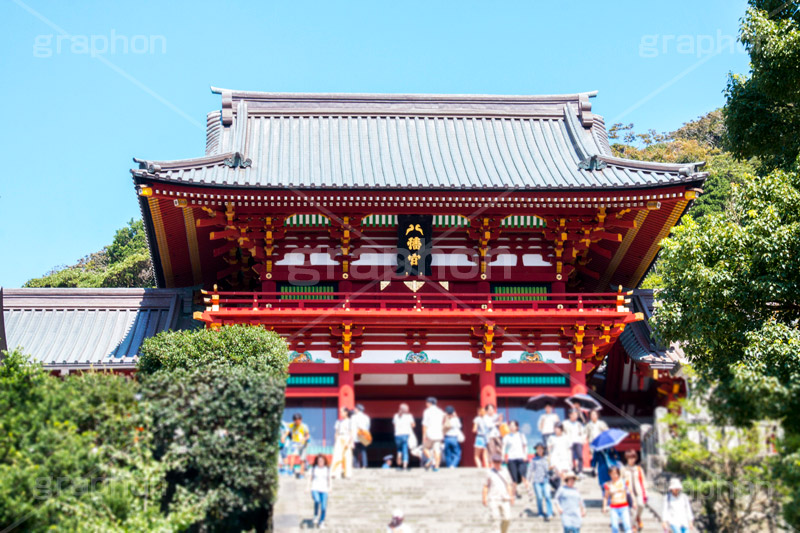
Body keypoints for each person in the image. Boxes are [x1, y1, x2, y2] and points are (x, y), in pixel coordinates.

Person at [482, 453, 515, 533]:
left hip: (504, 498)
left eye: (498, 462)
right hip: (493, 498)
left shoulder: (505, 471)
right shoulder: (489, 472)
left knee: (507, 518)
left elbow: (509, 485)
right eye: (495, 462)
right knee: (495, 519)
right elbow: (486, 486)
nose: (497, 464)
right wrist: (484, 498)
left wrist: (511, 496)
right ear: (493, 462)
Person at [523, 443, 553, 521]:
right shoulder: (534, 459)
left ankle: (549, 513)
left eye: (541, 448)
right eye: (538, 449)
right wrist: (528, 480)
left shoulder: (547, 458)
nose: (539, 450)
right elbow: (530, 470)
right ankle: (540, 512)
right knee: (539, 497)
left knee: (547, 496)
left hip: (546, 480)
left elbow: (549, 469)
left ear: (543, 449)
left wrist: (551, 468)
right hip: (537, 481)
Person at [602, 465, 635, 533]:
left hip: (624, 507)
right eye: (612, 474)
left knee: (627, 525)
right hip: (614, 508)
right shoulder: (608, 484)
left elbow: (631, 492)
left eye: (616, 473)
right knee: (614, 526)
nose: (614, 475)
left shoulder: (624, 482)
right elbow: (606, 497)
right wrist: (604, 506)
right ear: (610, 474)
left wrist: (634, 501)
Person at [622, 450, 648, 532]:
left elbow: (643, 480)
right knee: (633, 509)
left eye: (633, 457)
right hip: (629, 493)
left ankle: (638, 517)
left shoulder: (639, 469)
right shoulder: (624, 469)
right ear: (627, 458)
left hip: (639, 490)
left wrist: (645, 491)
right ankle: (633, 525)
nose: (631, 459)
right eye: (630, 457)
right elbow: (621, 481)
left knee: (641, 505)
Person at [502, 420, 528, 494]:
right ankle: (514, 494)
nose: (511, 427)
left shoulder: (521, 435)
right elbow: (503, 447)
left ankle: (529, 492)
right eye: (510, 425)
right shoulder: (507, 437)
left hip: (520, 457)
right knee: (514, 478)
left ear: (517, 427)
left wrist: (525, 455)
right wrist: (503, 456)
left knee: (522, 474)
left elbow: (525, 446)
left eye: (513, 425)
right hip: (511, 459)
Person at [308, 454, 332, 529]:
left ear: (324, 461)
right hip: (315, 488)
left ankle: (321, 521)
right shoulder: (313, 469)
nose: (320, 462)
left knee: (324, 507)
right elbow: (309, 478)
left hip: (324, 489)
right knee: (317, 501)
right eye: (319, 461)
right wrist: (307, 487)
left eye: (322, 461)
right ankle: (315, 515)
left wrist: (330, 487)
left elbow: (329, 479)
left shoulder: (327, 469)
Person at [422, 397, 445, 471]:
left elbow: (425, 424)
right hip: (438, 433)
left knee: (424, 448)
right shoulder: (440, 411)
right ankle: (437, 467)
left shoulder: (427, 411)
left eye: (426, 403)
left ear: (430, 403)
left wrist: (424, 435)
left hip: (430, 433)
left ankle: (430, 458)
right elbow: (443, 422)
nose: (426, 404)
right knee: (437, 450)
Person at [331, 407, 354, 479]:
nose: (341, 413)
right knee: (337, 456)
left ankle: (347, 474)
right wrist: (335, 441)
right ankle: (334, 473)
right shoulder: (338, 422)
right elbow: (336, 433)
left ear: (346, 412)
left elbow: (352, 433)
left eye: (342, 412)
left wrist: (349, 442)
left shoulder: (350, 422)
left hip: (347, 437)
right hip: (340, 438)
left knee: (347, 456)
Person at [585, 410, 608, 476]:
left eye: (594, 414)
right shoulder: (588, 424)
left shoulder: (601, 423)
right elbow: (586, 433)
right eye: (591, 415)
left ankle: (600, 470)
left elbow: (606, 430)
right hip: (592, 442)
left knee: (601, 456)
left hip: (600, 442)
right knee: (594, 457)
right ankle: (593, 469)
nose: (593, 416)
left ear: (597, 415)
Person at [392, 403, 415, 470]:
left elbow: (394, 425)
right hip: (405, 434)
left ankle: (399, 455)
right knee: (405, 449)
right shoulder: (409, 416)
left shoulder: (396, 416)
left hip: (397, 435)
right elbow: (413, 425)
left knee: (399, 448)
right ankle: (405, 465)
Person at [563, 410, 586, 476]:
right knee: (571, 457)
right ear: (570, 415)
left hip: (578, 441)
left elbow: (583, 433)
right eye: (573, 414)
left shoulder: (579, 424)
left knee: (580, 456)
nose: (575, 416)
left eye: (576, 414)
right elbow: (563, 432)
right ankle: (572, 470)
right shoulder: (565, 423)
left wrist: (582, 440)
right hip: (569, 442)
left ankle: (580, 471)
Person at [352, 404, 371, 468]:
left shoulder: (354, 417)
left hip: (356, 435)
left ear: (358, 409)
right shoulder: (366, 417)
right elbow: (368, 427)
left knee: (355, 451)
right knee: (363, 450)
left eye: (355, 408)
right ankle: (364, 465)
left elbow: (352, 427)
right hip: (364, 434)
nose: (354, 410)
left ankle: (355, 465)